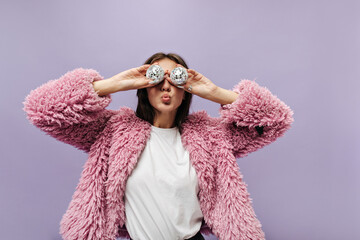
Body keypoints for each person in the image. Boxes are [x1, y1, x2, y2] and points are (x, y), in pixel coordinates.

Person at [23, 52, 294, 240]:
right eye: (156, 79)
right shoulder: (114, 130)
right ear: (145, 86)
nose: (166, 86)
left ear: (185, 88)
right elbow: (42, 110)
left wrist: (214, 93)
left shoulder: (210, 136)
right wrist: (114, 84)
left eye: (175, 79)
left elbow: (276, 120)